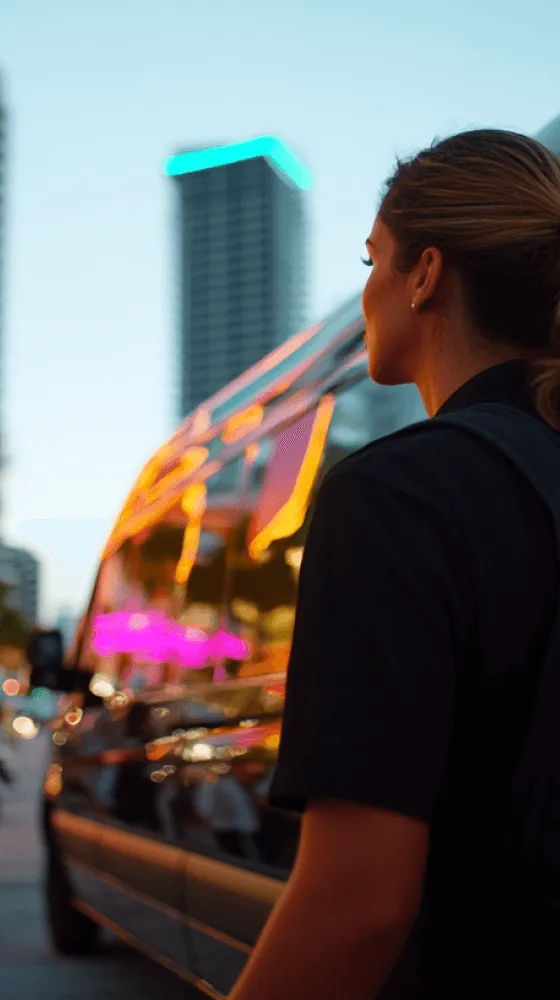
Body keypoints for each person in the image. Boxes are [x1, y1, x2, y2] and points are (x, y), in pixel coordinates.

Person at [228, 129, 560, 999]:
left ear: (425, 275)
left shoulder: (400, 493)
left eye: (374, 258)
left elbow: (359, 901)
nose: (367, 287)